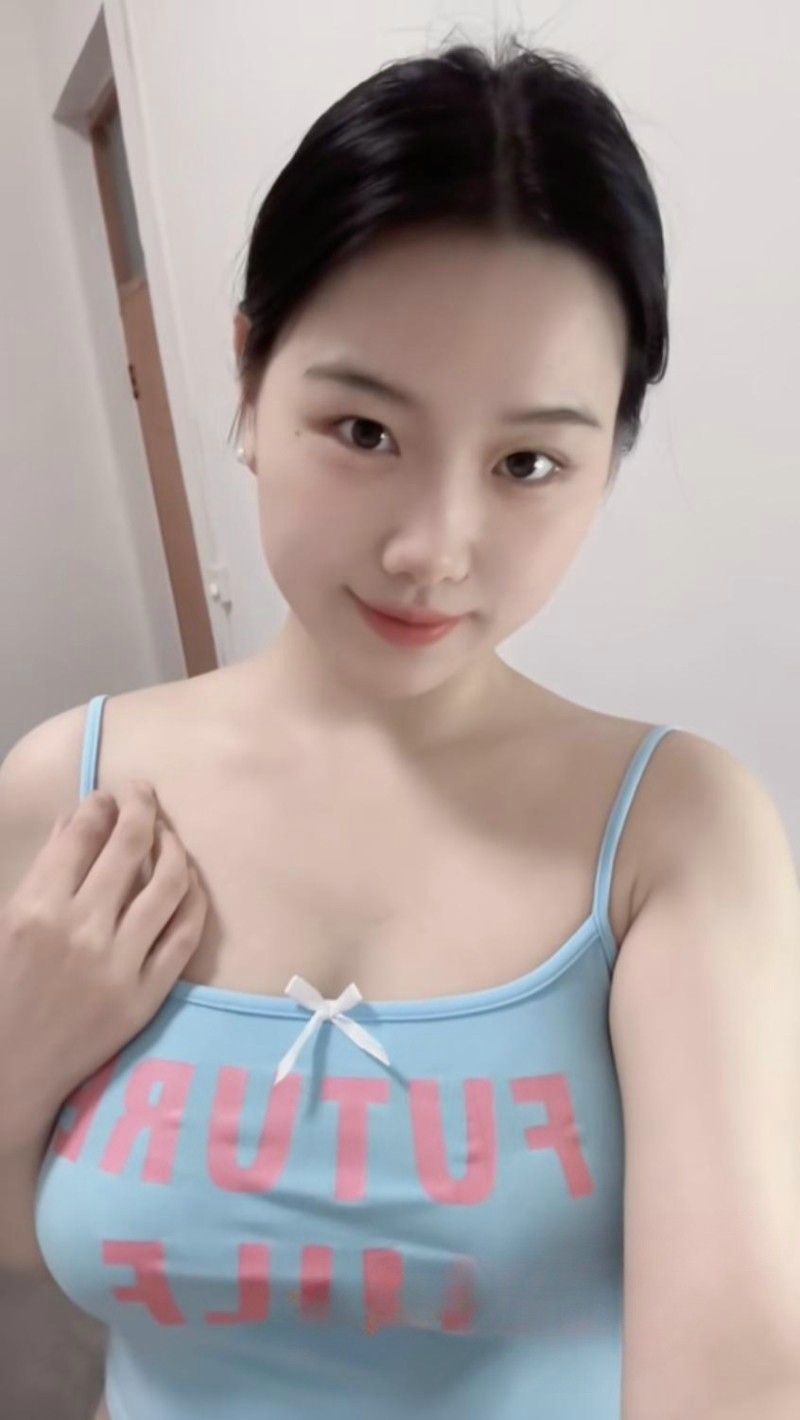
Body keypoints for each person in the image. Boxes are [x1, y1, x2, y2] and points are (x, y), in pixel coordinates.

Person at [5, 27, 791, 1420]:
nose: (433, 548)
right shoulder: (74, 784)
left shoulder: (673, 833)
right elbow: (33, 1246)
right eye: (365, 432)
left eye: (528, 462)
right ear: (251, 385)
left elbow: (735, 1365)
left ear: (607, 464)